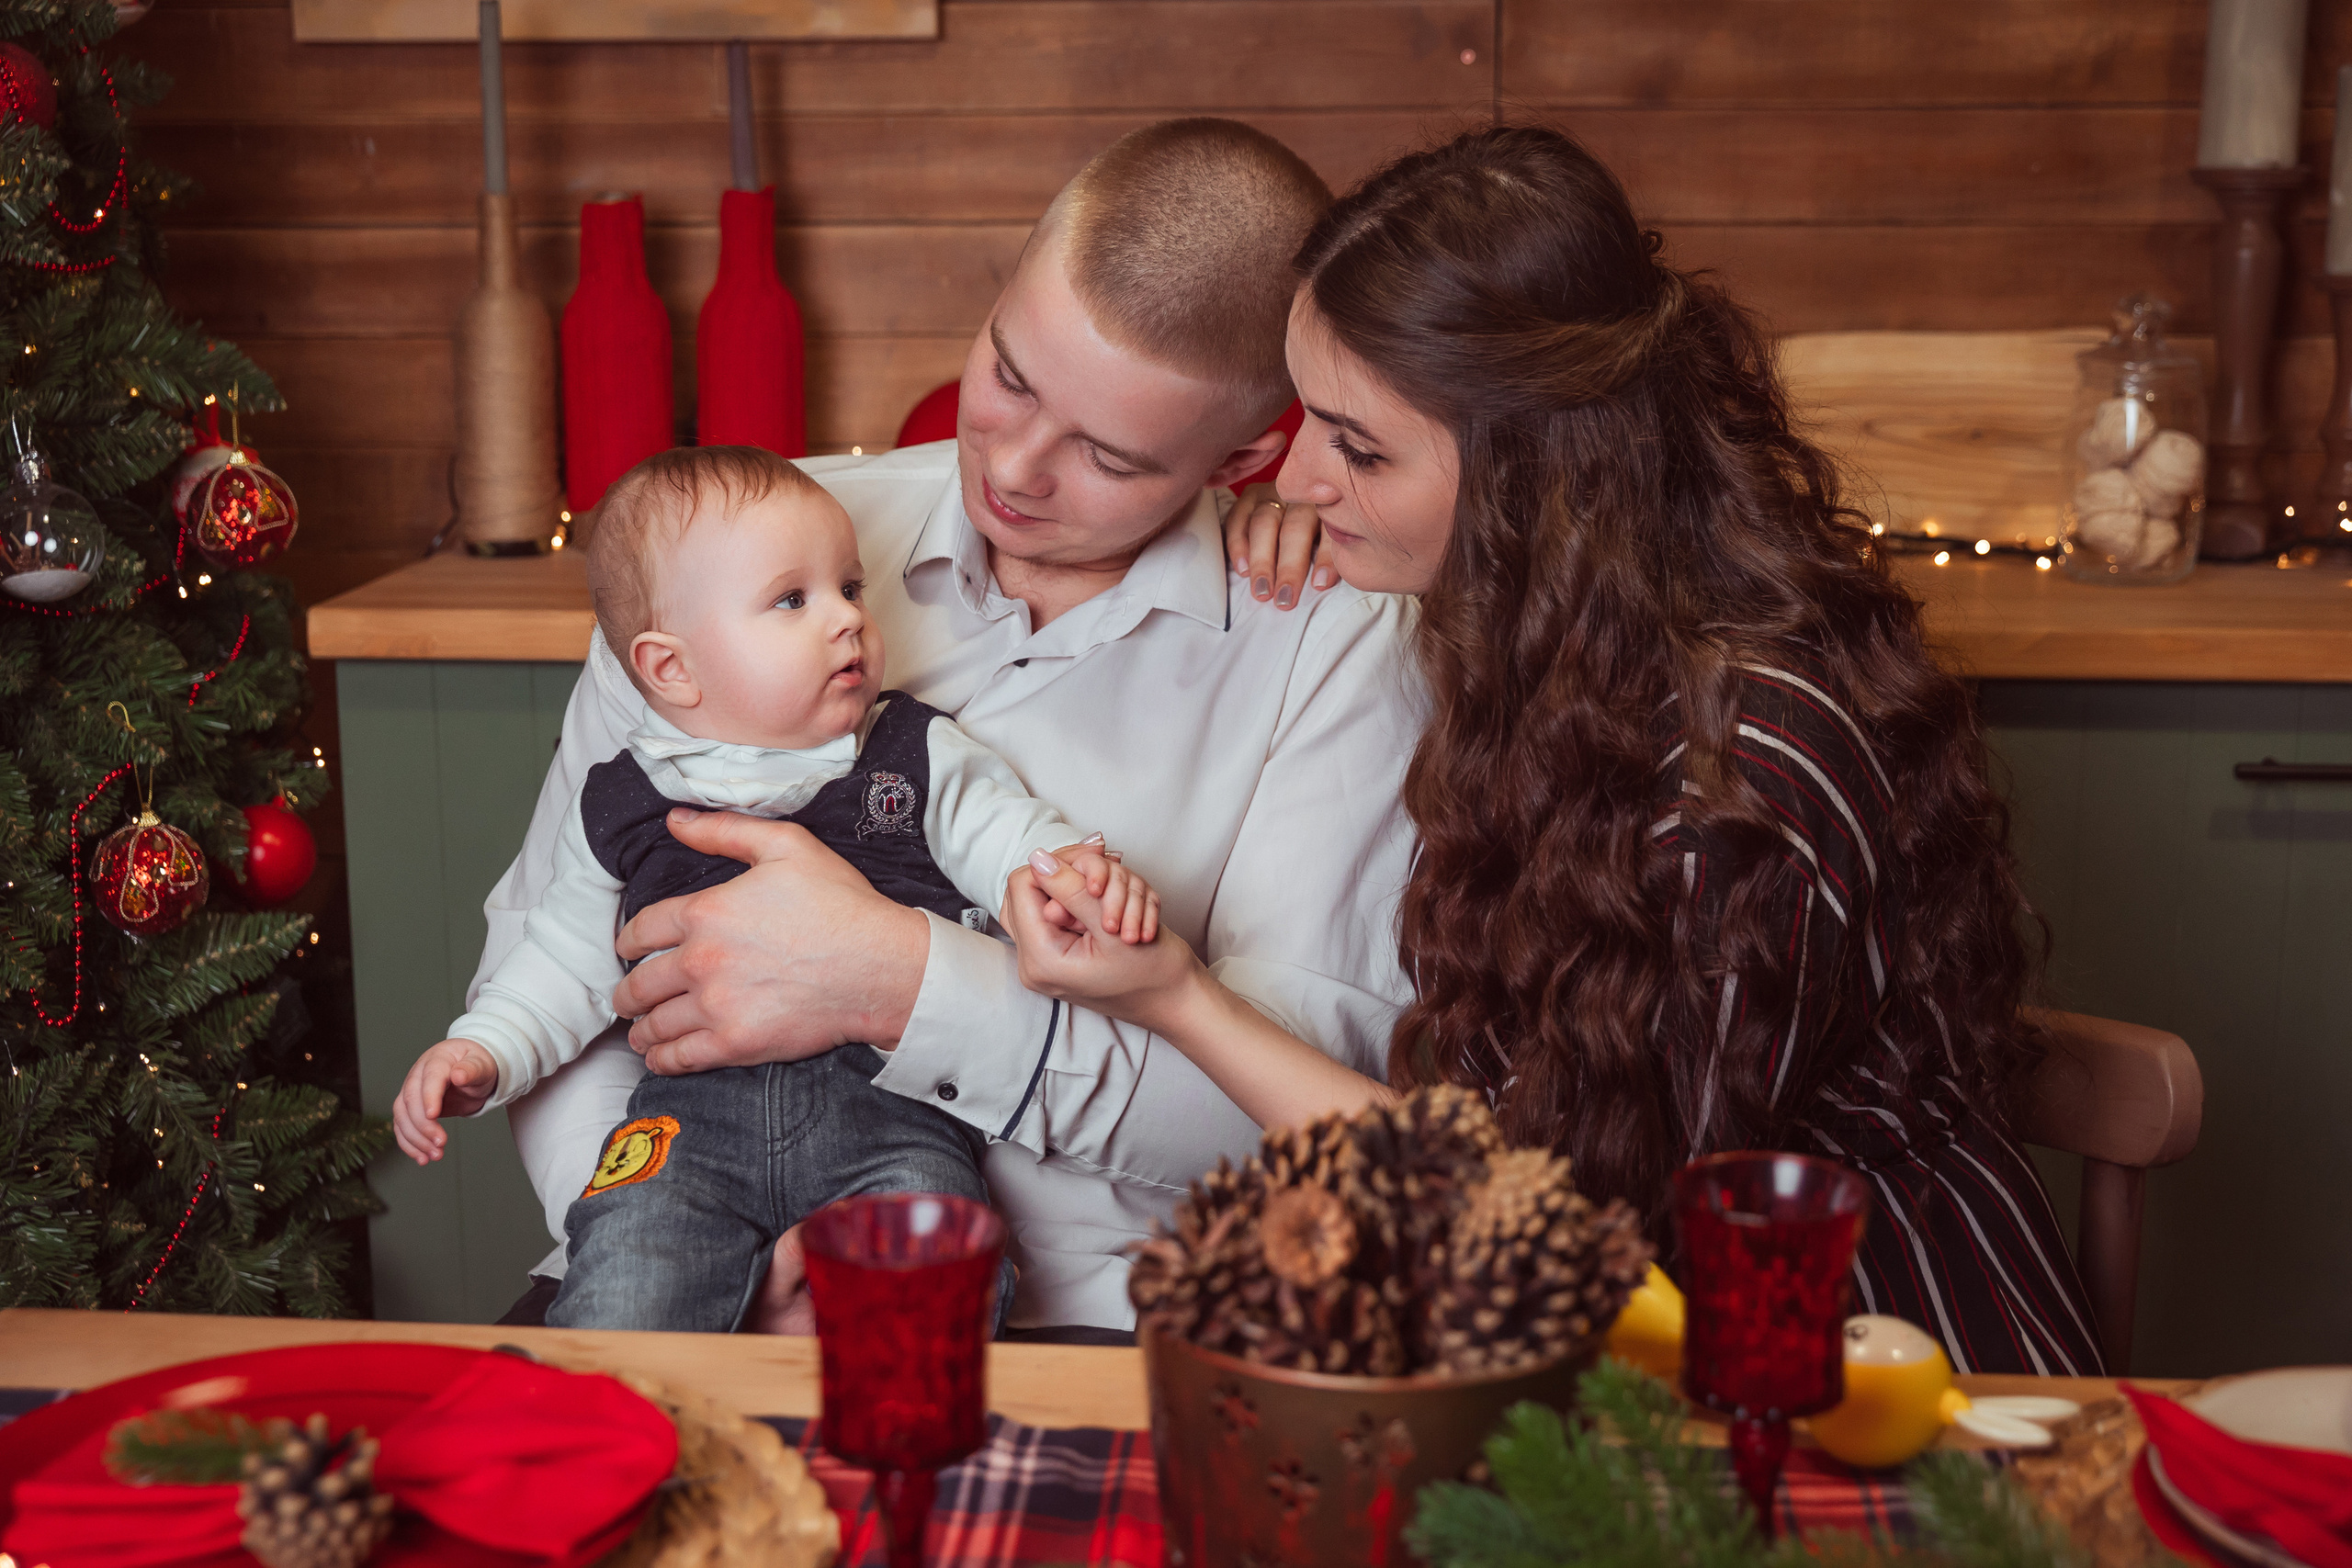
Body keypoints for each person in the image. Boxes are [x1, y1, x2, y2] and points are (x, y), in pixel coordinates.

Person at [1006, 124, 2106, 1377]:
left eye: (1356, 446)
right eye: (1303, 420)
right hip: (1632, 1329)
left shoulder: (1741, 783)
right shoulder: (1561, 644)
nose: (1299, 474)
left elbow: (1561, 1240)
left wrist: (1176, 999)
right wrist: (1336, 503)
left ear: (1540, 478)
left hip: (1846, 1359)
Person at [472, 118, 1420, 1338]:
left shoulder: (1331, 646)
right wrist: (690, 1254)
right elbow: (550, 989)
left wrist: (896, 979)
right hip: (671, 1264)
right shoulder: (727, 551)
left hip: (1089, 1323)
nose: (1016, 467)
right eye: (1011, 373)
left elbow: (1287, 1122)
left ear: (1243, 455)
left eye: (1109, 454)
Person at [395, 447, 1157, 1332]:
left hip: (892, 1117)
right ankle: (623, 1450)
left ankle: (901, 1460)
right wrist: (481, 1050)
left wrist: (1069, 872)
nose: (845, 621)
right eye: (792, 600)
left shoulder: (910, 753)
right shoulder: (623, 798)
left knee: (939, 1280)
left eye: (850, 588)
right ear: (671, 667)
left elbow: (1006, 830)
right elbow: (559, 960)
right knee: (620, 1275)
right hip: (684, 1129)